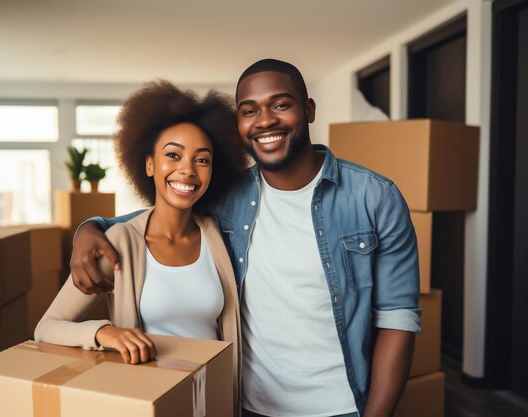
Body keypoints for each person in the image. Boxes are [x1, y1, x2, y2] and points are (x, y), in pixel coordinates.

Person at [69, 60, 421, 417]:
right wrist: (92, 227)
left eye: (281, 105)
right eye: (249, 110)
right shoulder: (227, 194)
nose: (265, 120)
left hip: (343, 406)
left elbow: (398, 318)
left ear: (309, 110)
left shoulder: (375, 198)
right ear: (238, 124)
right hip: (246, 405)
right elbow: (157, 218)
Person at [35, 81, 246, 413]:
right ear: (149, 165)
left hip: (213, 400)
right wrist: (105, 332)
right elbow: (46, 328)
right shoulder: (121, 243)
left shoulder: (219, 238)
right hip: (151, 402)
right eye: (173, 155)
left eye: (201, 160)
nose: (187, 169)